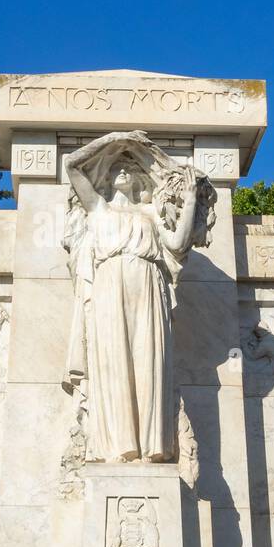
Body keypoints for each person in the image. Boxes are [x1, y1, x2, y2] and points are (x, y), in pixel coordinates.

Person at [63, 130, 214, 463]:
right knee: (111, 360)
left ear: (138, 179)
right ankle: (117, 446)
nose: (122, 169)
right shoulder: (97, 208)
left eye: (128, 167)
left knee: (149, 361)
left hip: (148, 284)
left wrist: (190, 200)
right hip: (108, 282)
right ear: (106, 178)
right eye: (116, 166)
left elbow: (178, 245)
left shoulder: (149, 214)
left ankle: (151, 445)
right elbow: (71, 165)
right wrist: (115, 138)